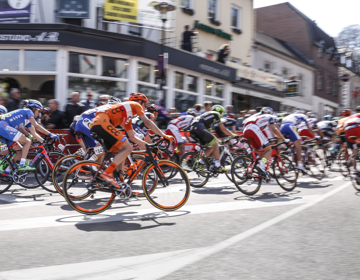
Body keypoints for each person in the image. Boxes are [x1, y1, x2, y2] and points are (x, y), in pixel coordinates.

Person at [90, 93, 174, 189]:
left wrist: (148, 146)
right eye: (145, 105)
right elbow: (147, 122)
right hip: (103, 123)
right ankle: (108, 173)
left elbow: (132, 137)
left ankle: (121, 185)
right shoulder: (135, 104)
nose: (145, 107)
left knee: (121, 154)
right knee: (128, 148)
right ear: (139, 102)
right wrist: (164, 135)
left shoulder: (127, 117)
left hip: (96, 124)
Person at [0, 100, 58, 171]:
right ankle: (22, 165)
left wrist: (44, 142)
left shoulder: (27, 120)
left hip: (4, 128)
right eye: (39, 111)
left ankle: (7, 171)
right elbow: (36, 126)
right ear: (34, 109)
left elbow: (34, 134)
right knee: (27, 141)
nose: (39, 114)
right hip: (3, 126)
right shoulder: (28, 111)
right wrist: (50, 134)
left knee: (20, 151)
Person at [243, 107, 287, 180]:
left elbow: (264, 133)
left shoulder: (258, 117)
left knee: (261, 152)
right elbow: (274, 129)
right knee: (269, 150)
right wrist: (283, 139)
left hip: (245, 131)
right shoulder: (272, 117)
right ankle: (261, 166)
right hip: (254, 129)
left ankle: (259, 172)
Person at [188, 105, 236, 172]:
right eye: (222, 113)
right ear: (219, 111)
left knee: (210, 147)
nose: (221, 115)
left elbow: (210, 134)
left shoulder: (208, 117)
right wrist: (233, 135)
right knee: (215, 145)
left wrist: (218, 140)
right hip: (199, 128)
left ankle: (200, 163)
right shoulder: (216, 114)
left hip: (193, 130)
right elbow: (223, 129)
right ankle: (217, 165)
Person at [280, 109, 315, 174]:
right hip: (290, 126)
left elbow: (296, 130)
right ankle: (300, 164)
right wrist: (314, 136)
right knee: (299, 147)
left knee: (292, 144)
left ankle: (289, 158)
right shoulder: (303, 116)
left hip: (282, 127)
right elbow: (309, 128)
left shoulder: (291, 116)